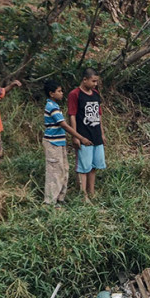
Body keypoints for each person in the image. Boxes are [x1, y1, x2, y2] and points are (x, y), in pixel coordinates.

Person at [43, 80, 91, 206]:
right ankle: (50, 201)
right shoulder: (51, 107)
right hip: (52, 143)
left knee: (64, 169)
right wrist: (81, 138)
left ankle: (60, 198)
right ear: (51, 93)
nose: (62, 93)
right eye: (59, 91)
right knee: (55, 172)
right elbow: (64, 125)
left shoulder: (55, 106)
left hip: (59, 142)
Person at [67, 68, 106, 202]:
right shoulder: (75, 94)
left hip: (96, 134)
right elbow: (72, 115)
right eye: (93, 81)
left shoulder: (95, 94)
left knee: (94, 165)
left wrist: (102, 133)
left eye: (96, 81)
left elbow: (99, 115)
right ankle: (83, 195)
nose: (95, 84)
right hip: (83, 135)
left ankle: (91, 192)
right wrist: (75, 136)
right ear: (85, 80)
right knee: (83, 166)